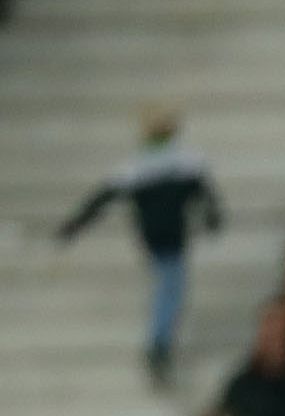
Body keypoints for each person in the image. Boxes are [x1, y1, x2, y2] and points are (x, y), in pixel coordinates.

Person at [55, 108, 225, 386]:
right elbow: (205, 193)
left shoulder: (139, 166)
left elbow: (103, 197)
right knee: (171, 286)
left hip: (154, 235)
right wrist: (213, 218)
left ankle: (160, 341)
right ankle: (159, 342)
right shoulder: (183, 161)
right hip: (170, 235)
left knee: (169, 283)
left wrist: (75, 225)